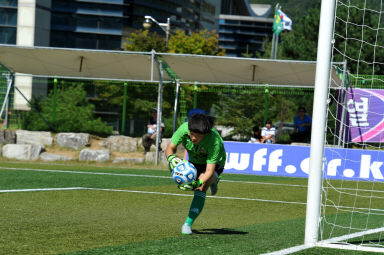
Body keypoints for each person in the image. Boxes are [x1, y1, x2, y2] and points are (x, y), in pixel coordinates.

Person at [165, 113, 226, 235]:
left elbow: (209, 170)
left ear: (206, 133)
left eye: (198, 136)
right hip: (194, 161)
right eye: (192, 134)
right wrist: (171, 158)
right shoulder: (184, 128)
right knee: (205, 182)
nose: (193, 138)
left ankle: (187, 224)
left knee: (201, 187)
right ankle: (213, 181)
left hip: (215, 163)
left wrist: (198, 182)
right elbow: (170, 148)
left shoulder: (214, 141)